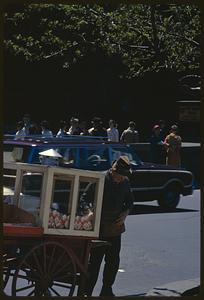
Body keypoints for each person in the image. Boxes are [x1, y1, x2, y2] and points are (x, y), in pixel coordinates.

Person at [83, 156, 134, 296]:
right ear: (113, 171)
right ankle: (87, 292)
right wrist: (90, 211)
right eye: (120, 176)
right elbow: (84, 198)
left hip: (115, 229)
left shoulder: (125, 182)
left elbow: (130, 202)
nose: (122, 179)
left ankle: (106, 290)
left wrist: (125, 214)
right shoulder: (100, 179)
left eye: (124, 176)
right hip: (98, 228)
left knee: (113, 262)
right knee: (94, 264)